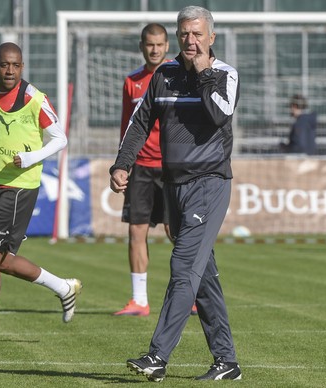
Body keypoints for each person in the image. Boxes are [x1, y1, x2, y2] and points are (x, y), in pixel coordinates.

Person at [109, 6, 241, 381]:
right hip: (173, 187)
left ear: (211, 38)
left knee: (183, 268)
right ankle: (226, 361)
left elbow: (220, 115)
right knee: (203, 278)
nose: (191, 41)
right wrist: (122, 164)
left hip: (209, 184)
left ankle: (157, 356)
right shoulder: (163, 76)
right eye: (185, 34)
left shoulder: (224, 75)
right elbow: (139, 123)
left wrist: (201, 72)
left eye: (198, 34)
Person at [0, 42, 82, 347]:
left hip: (19, 187)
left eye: (15, 65)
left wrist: (30, 157)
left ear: (22, 67)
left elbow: (60, 138)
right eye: (4, 65)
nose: (9, 70)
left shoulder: (33, 98)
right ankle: (64, 288)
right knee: (5, 262)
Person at [114, 23, 197, 317]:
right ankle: (139, 300)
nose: (155, 49)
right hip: (141, 168)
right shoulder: (132, 82)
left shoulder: (178, 78)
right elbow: (128, 127)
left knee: (177, 231)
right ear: (142, 46)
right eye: (149, 44)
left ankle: (192, 296)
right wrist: (121, 164)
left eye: (160, 44)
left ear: (167, 45)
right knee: (136, 231)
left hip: (172, 167)